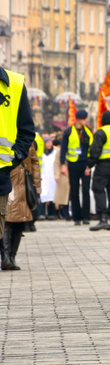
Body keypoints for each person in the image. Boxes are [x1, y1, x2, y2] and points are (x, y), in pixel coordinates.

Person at [0, 65, 35, 251]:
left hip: (1, 175)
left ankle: (8, 255)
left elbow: (27, 131)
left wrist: (12, 159)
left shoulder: (14, 83)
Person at [2, 144, 41, 270]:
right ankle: (5, 257)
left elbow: (34, 162)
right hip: (7, 182)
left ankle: (11, 257)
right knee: (6, 220)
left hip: (24, 183)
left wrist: (37, 185)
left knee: (20, 221)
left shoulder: (28, 141)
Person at [60, 110, 93, 225]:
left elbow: (92, 149)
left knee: (85, 191)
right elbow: (63, 148)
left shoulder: (88, 132)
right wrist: (62, 164)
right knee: (74, 192)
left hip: (85, 165)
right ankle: (77, 218)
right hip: (73, 165)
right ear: (78, 119)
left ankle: (86, 217)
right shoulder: (68, 132)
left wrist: (90, 166)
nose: (86, 121)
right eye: (84, 119)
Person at [87, 111, 110, 231]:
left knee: (98, 189)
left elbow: (95, 151)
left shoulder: (101, 132)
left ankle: (102, 219)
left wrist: (89, 165)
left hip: (103, 166)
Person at [39, 136, 57, 220]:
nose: (50, 144)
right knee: (43, 194)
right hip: (43, 176)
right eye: (47, 142)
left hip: (52, 177)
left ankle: (51, 213)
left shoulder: (55, 153)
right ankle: (41, 213)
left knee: (52, 194)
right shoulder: (41, 154)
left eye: (51, 142)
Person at [53, 137, 70, 220]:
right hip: (63, 175)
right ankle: (65, 213)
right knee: (64, 196)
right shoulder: (60, 151)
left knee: (72, 195)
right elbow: (56, 164)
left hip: (73, 174)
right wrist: (56, 175)